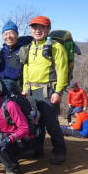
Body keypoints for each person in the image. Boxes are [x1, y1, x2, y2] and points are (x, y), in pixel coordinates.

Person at [21, 16, 68, 165]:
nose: (37, 30)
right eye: (35, 27)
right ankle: (37, 149)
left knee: (51, 123)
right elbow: (26, 68)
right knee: (36, 122)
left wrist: (58, 92)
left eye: (42, 27)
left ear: (48, 29)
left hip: (49, 91)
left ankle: (59, 151)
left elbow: (63, 71)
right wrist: (25, 88)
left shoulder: (56, 47)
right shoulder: (30, 46)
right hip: (32, 91)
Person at [0, 21, 33, 96]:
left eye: (11, 33)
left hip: (20, 90)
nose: (8, 36)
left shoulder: (24, 50)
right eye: (5, 34)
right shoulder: (1, 53)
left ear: (17, 35)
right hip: (2, 89)